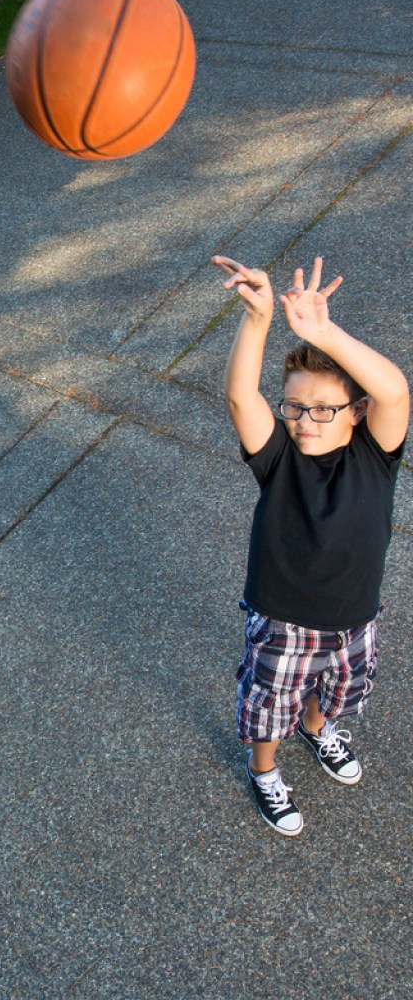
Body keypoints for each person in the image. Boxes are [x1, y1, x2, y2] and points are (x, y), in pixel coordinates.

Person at [213, 253, 409, 835]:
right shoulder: (277, 459)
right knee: (269, 706)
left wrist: (323, 333)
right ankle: (264, 769)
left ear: (357, 413)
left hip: (355, 615)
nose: (306, 419)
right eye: (295, 406)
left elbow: (395, 391)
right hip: (285, 620)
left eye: (324, 409)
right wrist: (258, 320)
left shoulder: (375, 458)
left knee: (339, 687)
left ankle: (318, 729)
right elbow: (241, 398)